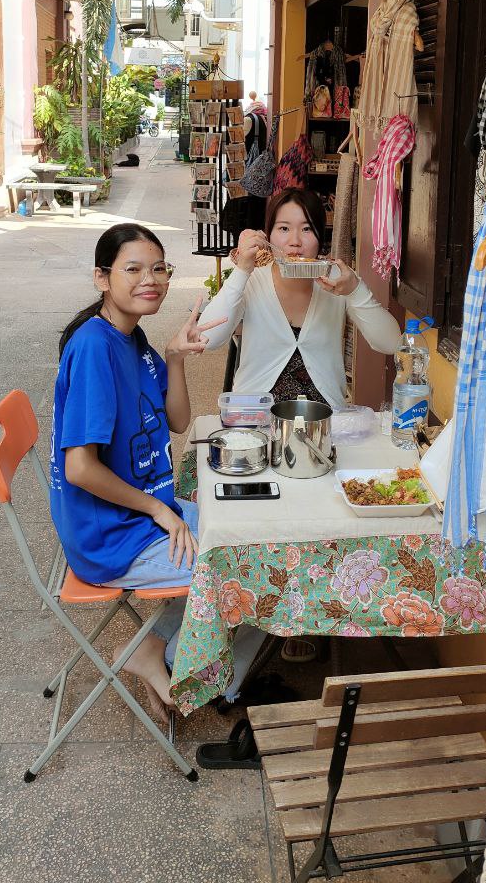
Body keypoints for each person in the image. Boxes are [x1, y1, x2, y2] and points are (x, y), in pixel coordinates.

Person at [50, 222, 266, 723]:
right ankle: (200, 684)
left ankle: (153, 651)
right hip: (111, 535)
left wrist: (173, 357)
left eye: (159, 268)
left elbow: (178, 420)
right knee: (253, 569)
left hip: (145, 514)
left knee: (255, 536)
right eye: (134, 269)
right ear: (102, 279)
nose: (151, 278)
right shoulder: (94, 348)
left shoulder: (133, 338)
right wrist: (158, 511)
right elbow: (79, 468)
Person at [200, 188, 400, 408]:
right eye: (284, 228)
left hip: (323, 420)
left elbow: (391, 343)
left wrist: (355, 290)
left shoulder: (337, 279)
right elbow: (207, 338)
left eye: (307, 229)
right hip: (255, 418)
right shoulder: (252, 279)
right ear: (268, 235)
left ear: (320, 236)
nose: (294, 241)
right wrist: (241, 272)